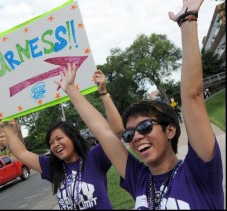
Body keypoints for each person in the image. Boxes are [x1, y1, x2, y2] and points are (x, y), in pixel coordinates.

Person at [54, 0, 224, 209]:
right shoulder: (139, 179)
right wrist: (71, 89)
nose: (136, 137)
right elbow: (103, 132)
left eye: (145, 127)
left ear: (170, 130)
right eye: (129, 134)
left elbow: (192, 97)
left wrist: (187, 21)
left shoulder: (199, 172)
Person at [0, 120, 113, 210]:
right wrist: (5, 126)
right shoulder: (52, 167)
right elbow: (21, 153)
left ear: (73, 137)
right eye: (51, 143)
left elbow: (115, 131)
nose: (55, 144)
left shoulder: (94, 157)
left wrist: (104, 94)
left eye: (59, 138)